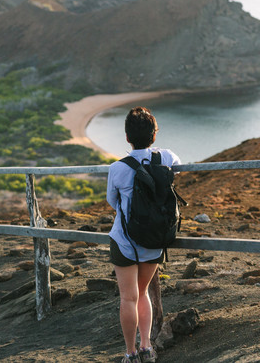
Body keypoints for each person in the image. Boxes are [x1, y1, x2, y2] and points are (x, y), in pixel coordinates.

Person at [106, 106, 180, 363]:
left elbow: (112, 202)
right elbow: (178, 171)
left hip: (125, 241)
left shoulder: (117, 168)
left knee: (128, 297)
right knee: (143, 293)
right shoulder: (167, 157)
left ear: (127, 137)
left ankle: (130, 354)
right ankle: (146, 347)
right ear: (154, 135)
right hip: (155, 241)